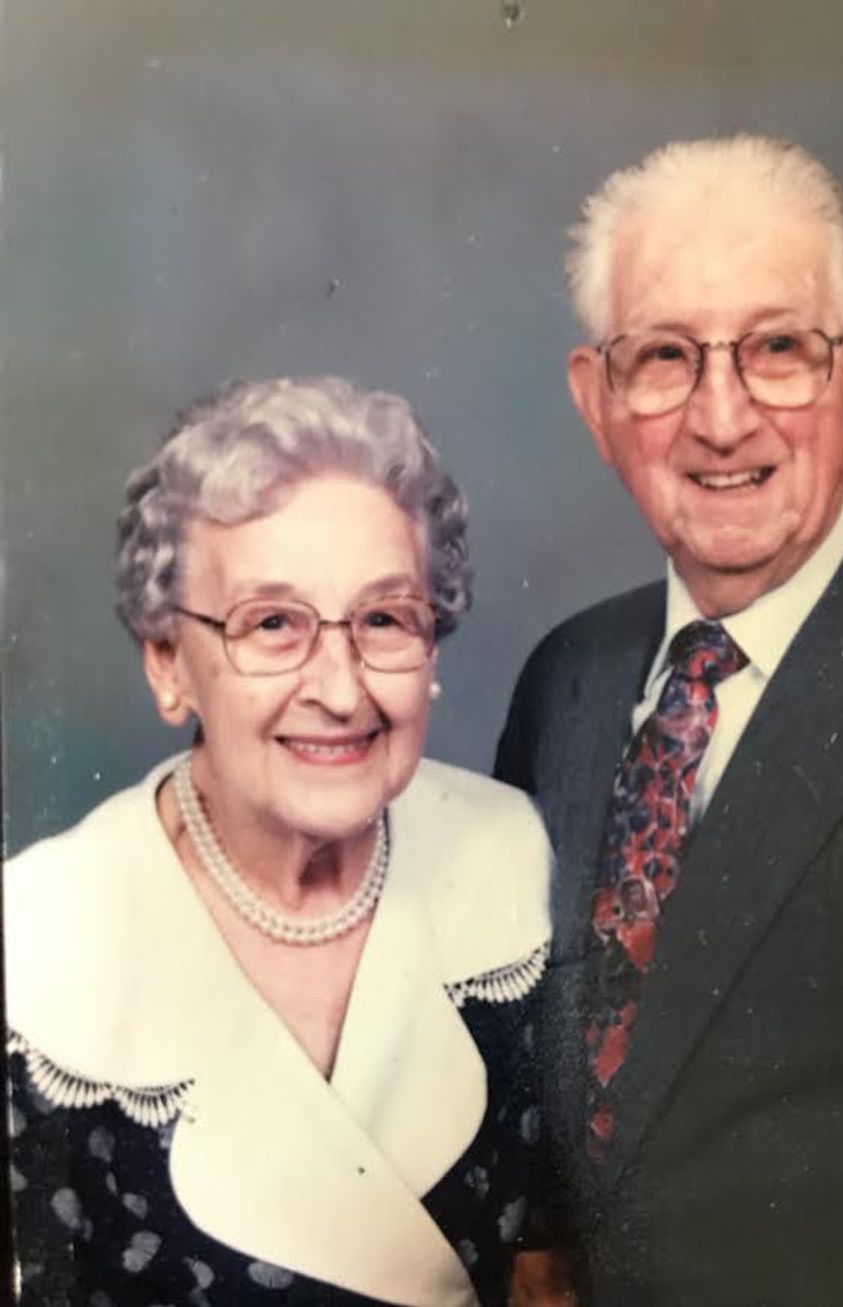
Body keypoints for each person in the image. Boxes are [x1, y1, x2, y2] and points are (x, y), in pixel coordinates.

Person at [496, 136, 843, 1304]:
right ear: (596, 401)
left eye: (776, 349)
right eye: (663, 356)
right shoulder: (567, 676)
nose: (720, 420)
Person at [5, 376, 551, 1307]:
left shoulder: (514, 863)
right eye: (272, 624)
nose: (339, 689)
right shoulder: (40, 947)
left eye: (385, 619)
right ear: (168, 662)